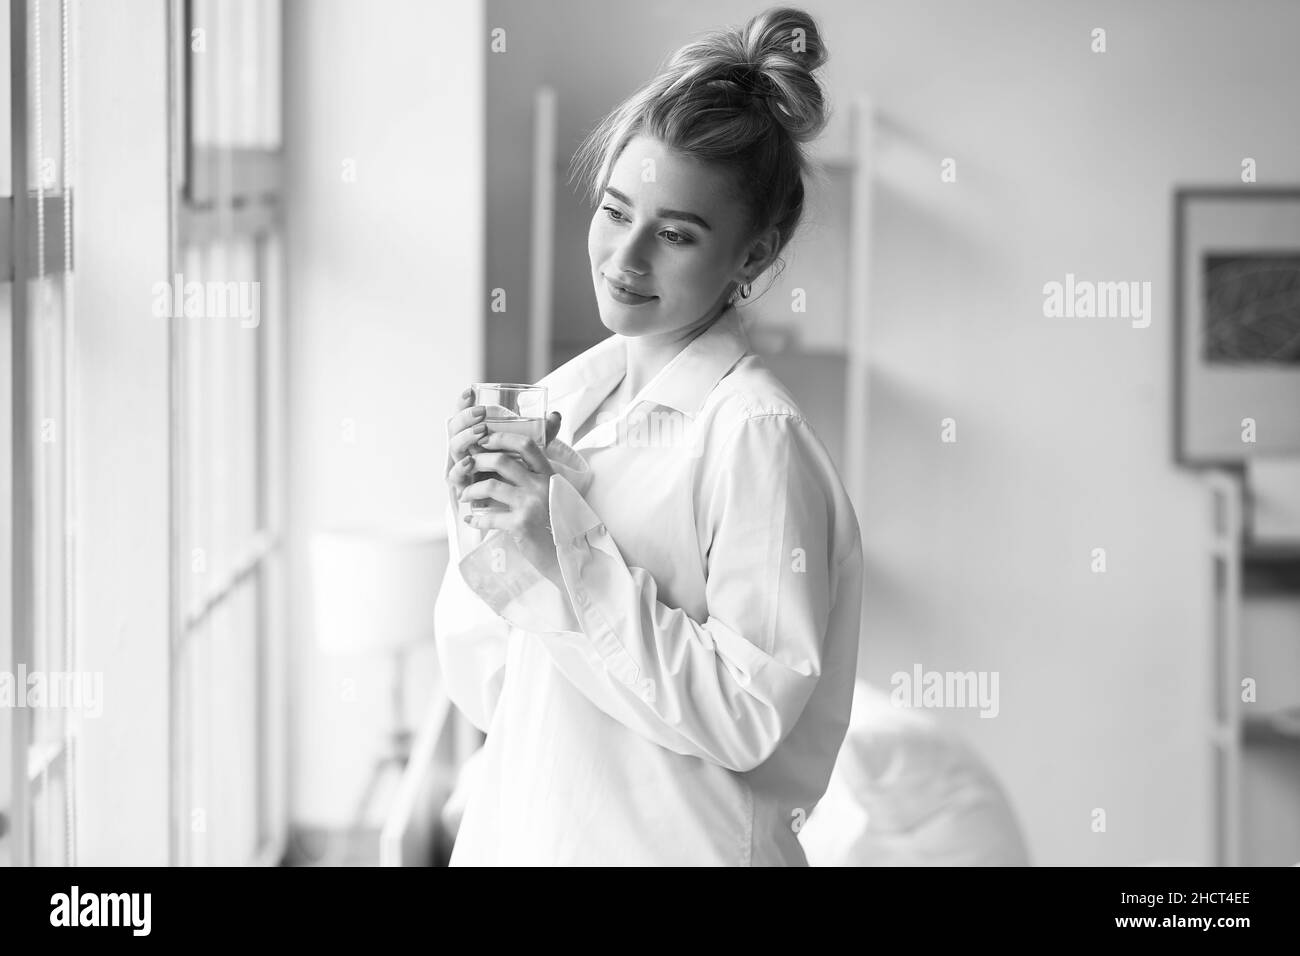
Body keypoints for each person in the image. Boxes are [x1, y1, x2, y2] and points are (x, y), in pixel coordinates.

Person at [434, 6, 863, 865]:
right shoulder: (561, 404)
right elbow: (492, 691)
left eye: (674, 235)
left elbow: (746, 717)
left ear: (754, 253)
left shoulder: (753, 435)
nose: (624, 259)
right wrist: (484, 525)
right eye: (614, 210)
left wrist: (565, 554)